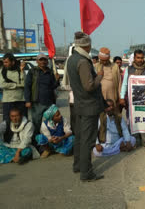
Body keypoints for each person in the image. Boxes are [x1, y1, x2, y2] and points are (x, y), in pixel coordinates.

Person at [67, 31, 105, 181]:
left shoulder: (71, 59)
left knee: (80, 137)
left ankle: (78, 166)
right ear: (87, 45)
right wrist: (100, 76)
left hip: (80, 105)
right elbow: (89, 86)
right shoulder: (83, 61)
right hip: (89, 106)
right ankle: (86, 172)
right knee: (87, 141)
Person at [120, 50, 145, 150]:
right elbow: (124, 84)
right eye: (138, 58)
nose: (140, 60)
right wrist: (121, 97)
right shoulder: (129, 69)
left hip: (144, 99)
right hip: (131, 99)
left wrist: (139, 78)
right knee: (132, 120)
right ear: (134, 58)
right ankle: (134, 140)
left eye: (142, 58)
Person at [24, 53, 60, 135]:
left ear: (47, 61)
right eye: (41, 60)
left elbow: (53, 86)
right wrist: (27, 100)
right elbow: (27, 86)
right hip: (37, 102)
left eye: (44, 60)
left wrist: (57, 80)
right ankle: (36, 141)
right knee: (36, 123)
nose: (43, 62)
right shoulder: (32, 71)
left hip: (49, 102)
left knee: (51, 122)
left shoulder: (50, 72)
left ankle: (49, 140)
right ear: (37, 61)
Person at [0, 53, 27, 121]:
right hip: (8, 100)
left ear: (13, 62)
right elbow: (2, 84)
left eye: (6, 62)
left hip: (20, 100)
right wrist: (17, 85)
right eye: (4, 62)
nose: (4, 64)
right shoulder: (2, 71)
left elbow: (24, 83)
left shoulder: (19, 70)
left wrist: (22, 70)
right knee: (7, 121)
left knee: (22, 120)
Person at [94, 48, 122, 113]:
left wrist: (120, 97)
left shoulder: (115, 66)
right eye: (102, 60)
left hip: (112, 97)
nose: (104, 62)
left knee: (113, 117)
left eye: (106, 60)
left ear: (109, 58)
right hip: (99, 98)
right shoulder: (95, 66)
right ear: (99, 58)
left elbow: (119, 83)